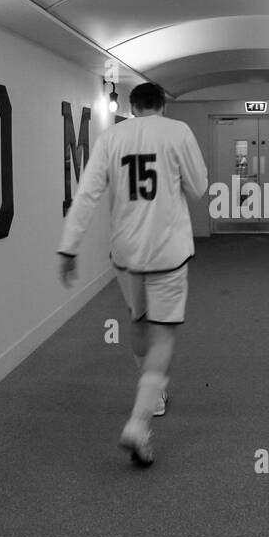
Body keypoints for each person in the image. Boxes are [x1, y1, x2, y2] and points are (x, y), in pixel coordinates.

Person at [57, 82, 208, 466]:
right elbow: (199, 188)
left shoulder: (112, 136)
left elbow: (87, 193)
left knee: (138, 321)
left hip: (126, 254)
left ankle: (153, 394)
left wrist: (69, 246)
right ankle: (139, 423)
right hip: (167, 254)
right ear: (164, 106)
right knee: (164, 337)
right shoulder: (178, 133)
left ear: (131, 106)